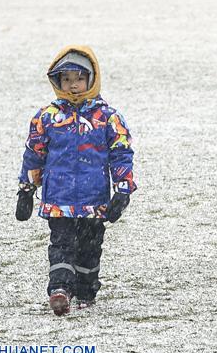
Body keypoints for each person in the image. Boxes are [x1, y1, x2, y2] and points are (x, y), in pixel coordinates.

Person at [17, 45, 136, 315]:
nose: (73, 86)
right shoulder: (47, 117)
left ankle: (85, 289)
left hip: (93, 201)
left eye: (79, 79)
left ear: (92, 79)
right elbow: (34, 154)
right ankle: (59, 289)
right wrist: (26, 190)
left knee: (89, 248)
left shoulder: (108, 118)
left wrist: (123, 190)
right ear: (57, 82)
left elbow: (121, 153)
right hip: (59, 200)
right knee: (61, 244)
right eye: (67, 79)